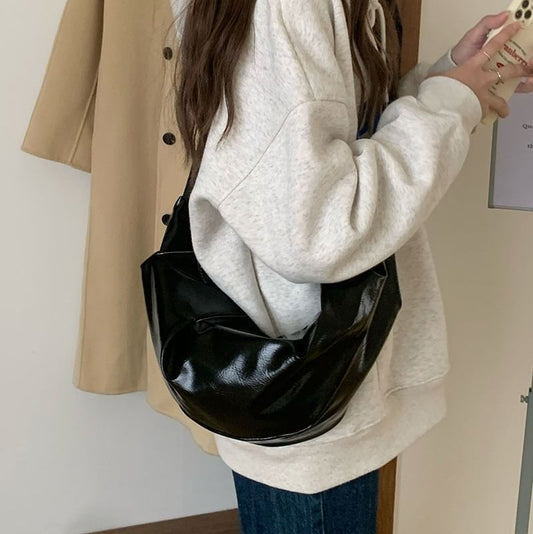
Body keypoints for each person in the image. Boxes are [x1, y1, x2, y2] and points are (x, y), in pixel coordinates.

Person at [168, 1, 533, 532]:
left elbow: (332, 146)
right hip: (313, 387)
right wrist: (447, 105)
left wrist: (448, 79)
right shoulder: (287, 9)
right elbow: (318, 231)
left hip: (322, 379)